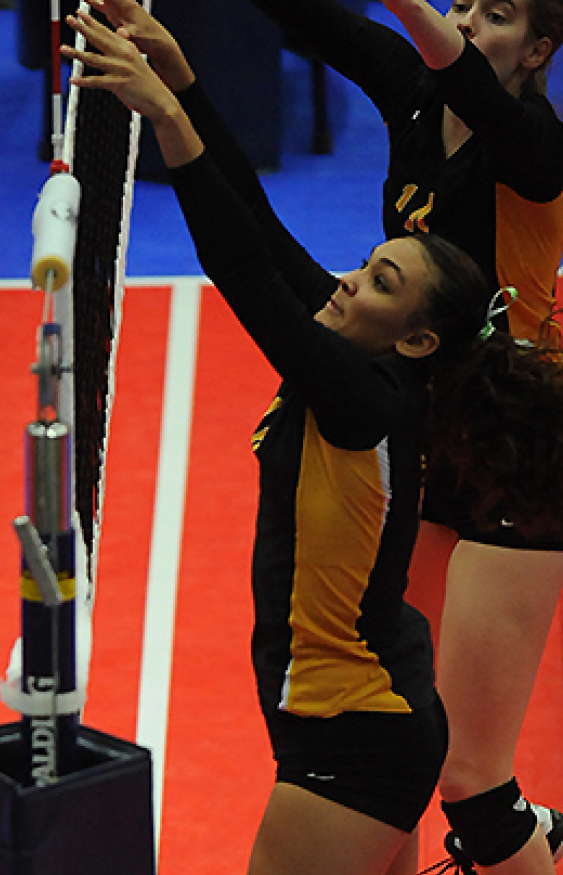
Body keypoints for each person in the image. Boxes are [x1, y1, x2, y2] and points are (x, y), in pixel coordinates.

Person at [62, 3, 516, 872]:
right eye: (368, 261)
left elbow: (240, 268)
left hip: (352, 743)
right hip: (370, 718)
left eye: (380, 282)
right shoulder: (362, 355)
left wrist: (164, 115)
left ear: (418, 338)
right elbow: (262, 229)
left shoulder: (363, 397)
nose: (348, 281)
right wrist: (185, 82)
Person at [242, 1, 563, 871]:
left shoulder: (534, 144)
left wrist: (415, 12)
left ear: (537, 51)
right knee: (400, 739)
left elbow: (464, 75)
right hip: (427, 442)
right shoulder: (415, 95)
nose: (464, 24)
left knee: (471, 778)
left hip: (518, 459)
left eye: (493, 15)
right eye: (460, 3)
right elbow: (316, 24)